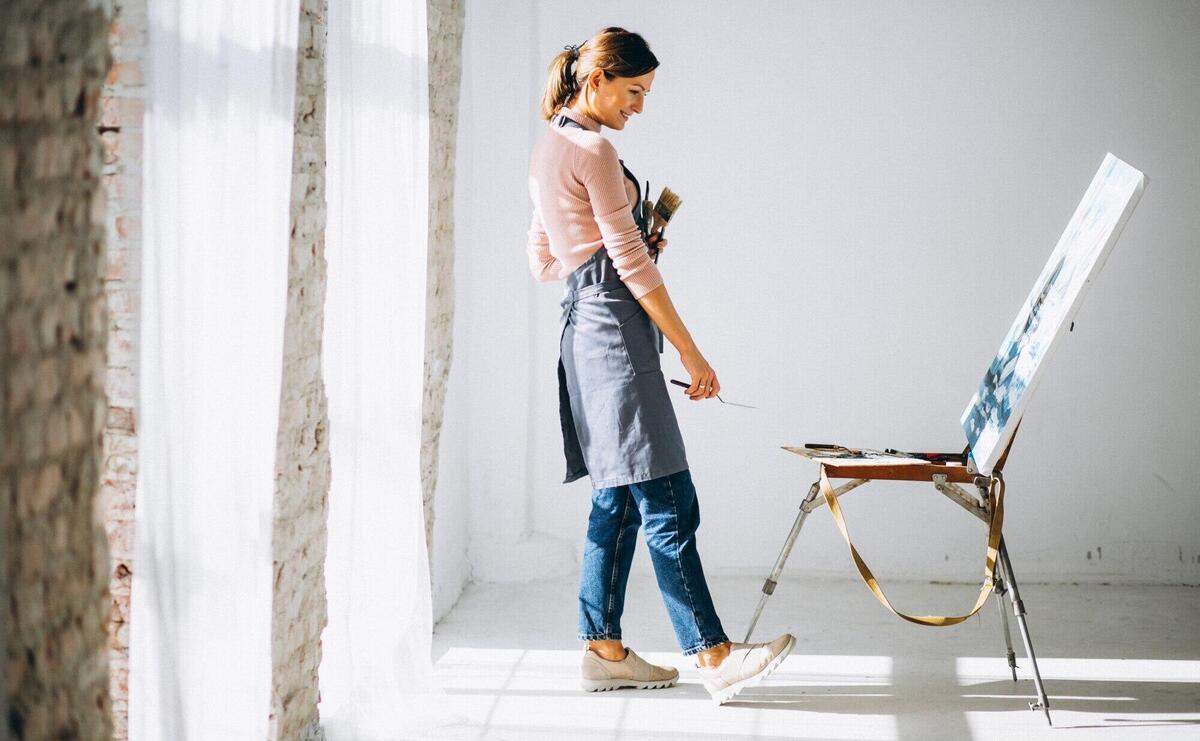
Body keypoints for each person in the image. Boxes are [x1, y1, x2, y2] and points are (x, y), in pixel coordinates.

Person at [525, 26, 794, 705]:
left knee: (616, 498)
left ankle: (603, 650)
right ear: (598, 80)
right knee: (667, 497)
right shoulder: (596, 150)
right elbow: (631, 265)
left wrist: (615, 254)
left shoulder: (548, 147)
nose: (638, 106)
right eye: (633, 92)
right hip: (616, 334)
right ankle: (714, 654)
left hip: (581, 330)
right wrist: (691, 348)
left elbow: (545, 261)